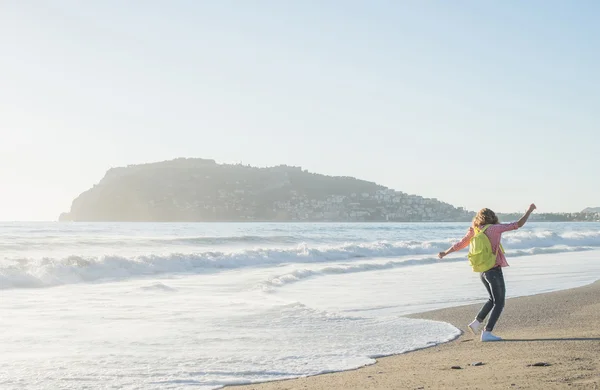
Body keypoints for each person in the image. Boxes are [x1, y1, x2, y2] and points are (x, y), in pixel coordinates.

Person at [438, 203, 537, 342]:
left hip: (483, 271)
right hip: (494, 270)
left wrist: (445, 252)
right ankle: (487, 333)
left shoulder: (475, 231)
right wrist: (529, 210)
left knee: (492, 299)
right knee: (500, 302)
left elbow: (460, 244)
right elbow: (518, 224)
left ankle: (476, 323)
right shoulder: (495, 229)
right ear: (493, 217)